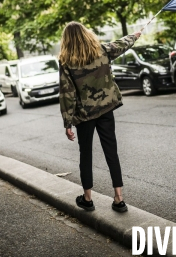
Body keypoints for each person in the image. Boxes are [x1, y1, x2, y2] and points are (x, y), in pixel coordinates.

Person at [59, 22, 141, 213]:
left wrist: (67, 122)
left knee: (85, 154)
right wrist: (134, 36)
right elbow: (120, 44)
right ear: (86, 34)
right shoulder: (101, 50)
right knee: (111, 151)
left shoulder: (66, 61)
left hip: (85, 115)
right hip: (106, 109)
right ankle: (119, 198)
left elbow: (66, 93)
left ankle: (88, 199)